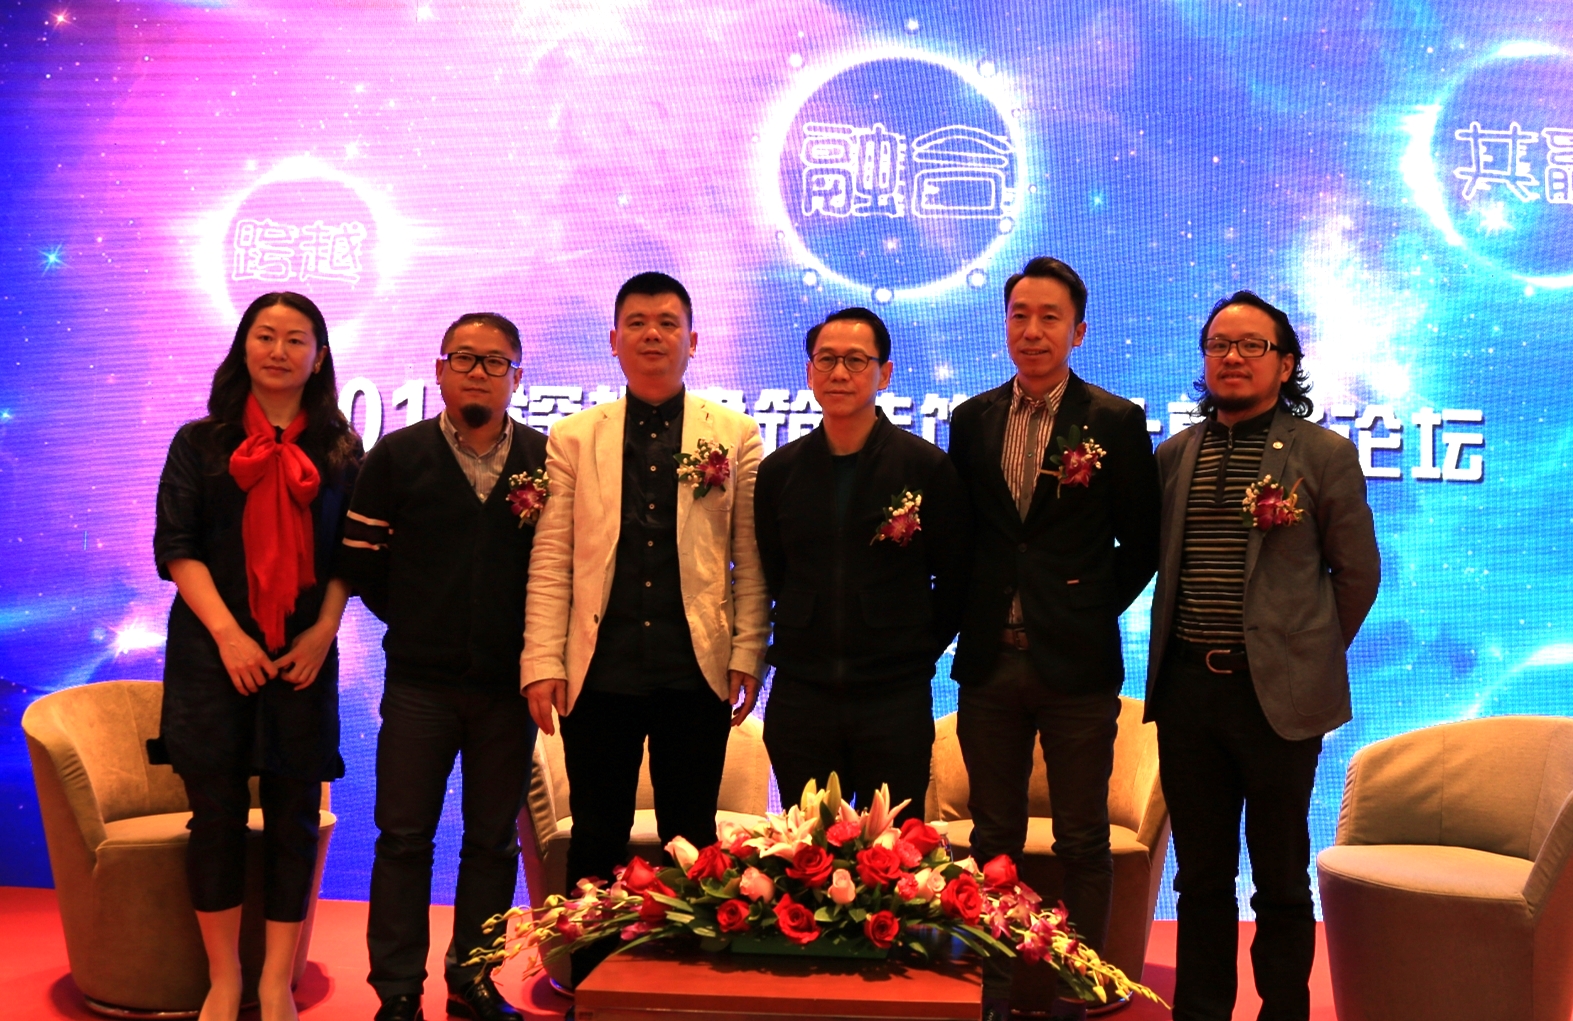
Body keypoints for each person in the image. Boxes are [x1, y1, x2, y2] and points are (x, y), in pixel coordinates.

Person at [520, 271, 769, 985]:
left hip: (695, 667)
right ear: (613, 340)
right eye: (637, 322)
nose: (652, 334)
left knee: (691, 836)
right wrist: (542, 660)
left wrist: (748, 651)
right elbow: (552, 559)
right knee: (597, 835)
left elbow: (749, 559)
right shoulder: (575, 436)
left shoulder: (734, 434)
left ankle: (688, 979)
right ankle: (591, 980)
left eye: (667, 323)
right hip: (600, 668)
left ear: (693, 340)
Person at [1146, 291, 1379, 1021]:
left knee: (1279, 876)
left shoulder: (1322, 454)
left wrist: (1302, 656)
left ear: (1285, 363)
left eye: (1252, 345)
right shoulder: (1174, 454)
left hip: (1275, 699)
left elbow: (1357, 574)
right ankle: (1200, 1011)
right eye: (1219, 344)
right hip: (1188, 692)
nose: (1233, 357)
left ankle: (1283, 1010)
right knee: (1199, 878)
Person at [947, 257, 1161, 1021]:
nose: (1031, 331)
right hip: (988, 663)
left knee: (1080, 838)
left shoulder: (1113, 421)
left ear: (1078, 330)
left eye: (1048, 317)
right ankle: (995, 989)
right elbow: (964, 536)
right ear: (1003, 323)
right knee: (993, 836)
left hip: (1076, 665)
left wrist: (1086, 606)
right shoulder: (971, 419)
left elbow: (1142, 542)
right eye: (1018, 315)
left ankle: (1079, 990)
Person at [151, 291, 360, 1021]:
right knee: (215, 817)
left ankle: (275, 980)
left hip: (303, 656)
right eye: (265, 335)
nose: (278, 350)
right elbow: (176, 547)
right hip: (213, 654)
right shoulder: (199, 443)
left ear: (319, 357)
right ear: (244, 345)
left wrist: (323, 631)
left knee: (295, 815)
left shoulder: (342, 450)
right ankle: (224, 978)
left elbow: (353, 555)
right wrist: (229, 635)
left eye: (295, 339)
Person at [339, 313, 548, 1021]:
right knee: (403, 839)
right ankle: (398, 988)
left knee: (492, 842)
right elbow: (362, 561)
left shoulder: (547, 459)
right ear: (439, 370)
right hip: (419, 685)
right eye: (464, 358)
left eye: (495, 361)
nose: (478, 372)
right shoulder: (396, 456)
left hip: (507, 689)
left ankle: (474, 979)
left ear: (517, 376)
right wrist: (420, 618)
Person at [753, 306, 967, 818]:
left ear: (884, 373)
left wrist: (914, 648)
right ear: (809, 372)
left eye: (855, 360)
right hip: (802, 694)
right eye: (826, 360)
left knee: (896, 849)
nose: (839, 373)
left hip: (893, 695)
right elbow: (773, 570)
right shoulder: (780, 470)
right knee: (805, 848)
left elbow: (956, 577)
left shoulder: (925, 466)